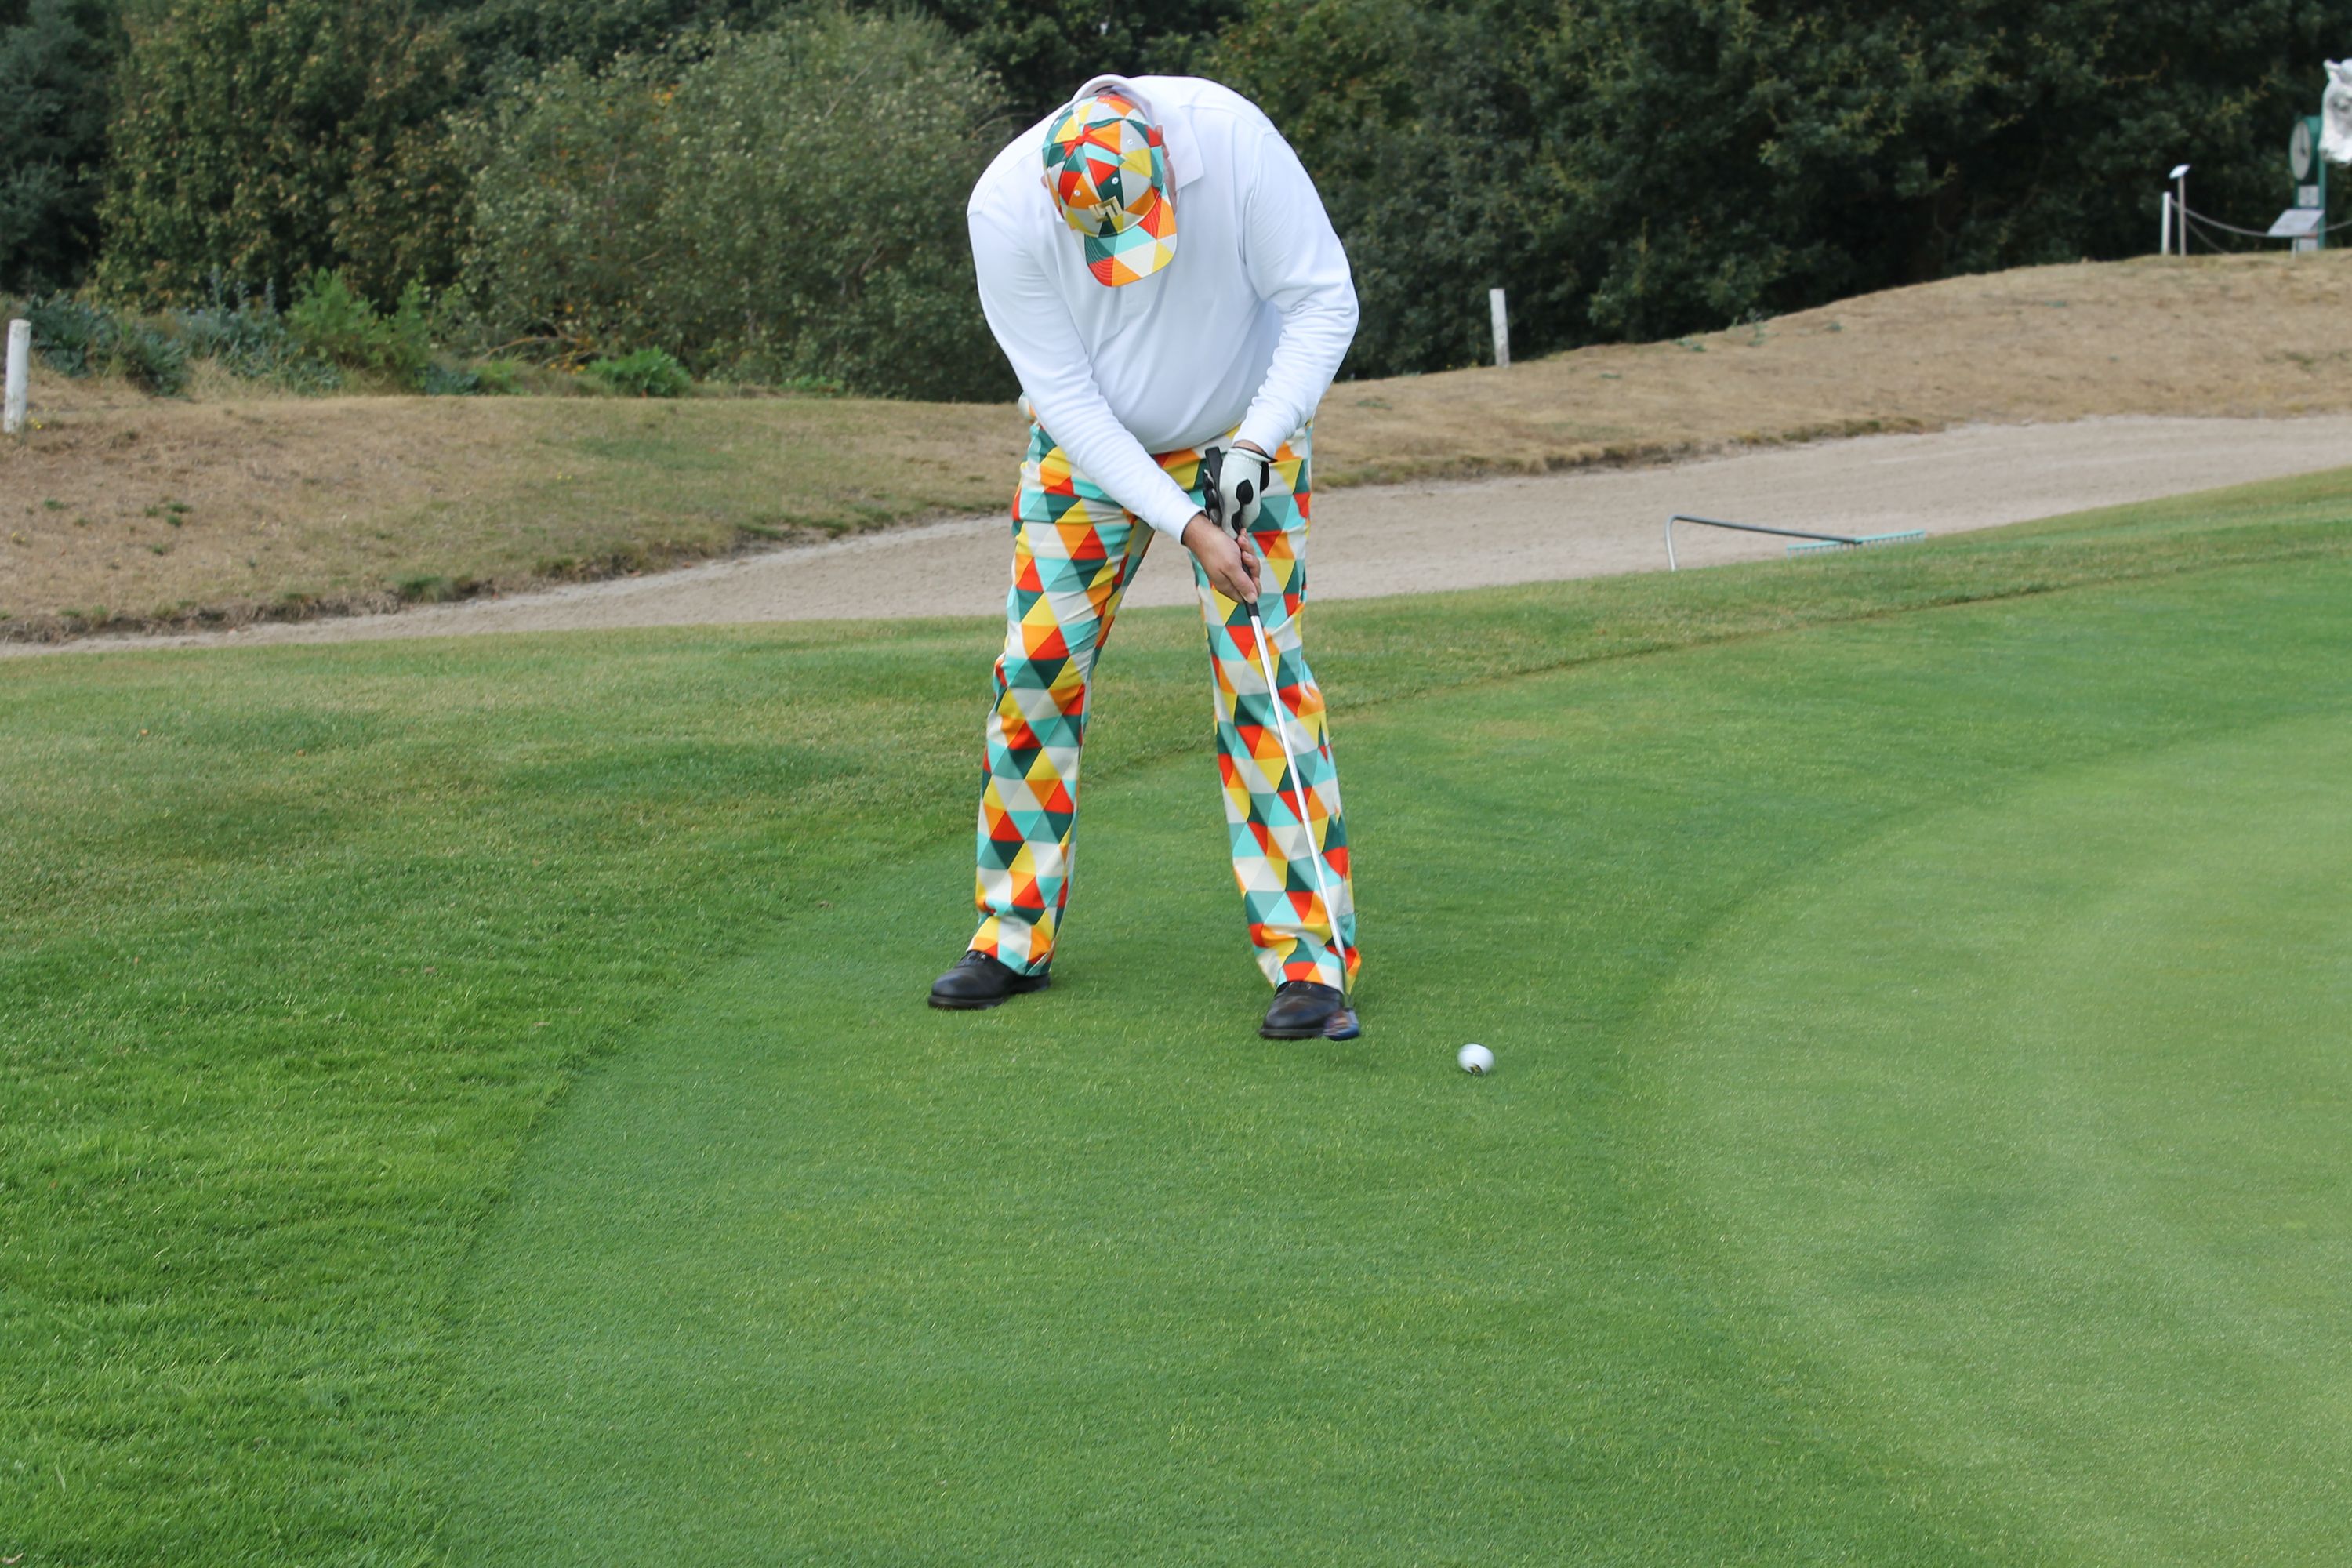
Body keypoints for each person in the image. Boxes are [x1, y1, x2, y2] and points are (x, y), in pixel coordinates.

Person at [927, 73, 1363, 1040]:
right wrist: (1189, 524)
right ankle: (1011, 933)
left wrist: (1255, 444)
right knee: (1034, 670)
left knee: (1264, 678)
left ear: (1167, 159)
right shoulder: (1005, 207)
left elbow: (1324, 302)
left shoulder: (1235, 142)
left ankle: (1311, 960)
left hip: (1252, 425)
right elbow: (1071, 405)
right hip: (1087, 457)